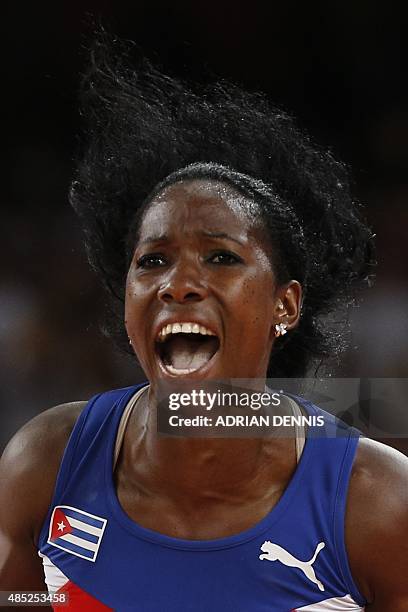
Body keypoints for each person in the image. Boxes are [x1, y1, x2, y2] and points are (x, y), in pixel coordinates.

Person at [1, 33, 408, 611]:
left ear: (284, 307)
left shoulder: (377, 503)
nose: (178, 283)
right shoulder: (46, 460)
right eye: (152, 261)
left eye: (221, 257)